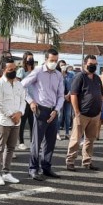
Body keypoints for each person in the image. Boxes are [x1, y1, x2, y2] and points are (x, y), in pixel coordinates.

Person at [21, 48, 64, 181]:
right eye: (51, 60)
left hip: (53, 111)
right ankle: (33, 169)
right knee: (37, 141)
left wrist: (56, 110)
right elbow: (22, 86)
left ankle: (46, 167)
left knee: (50, 141)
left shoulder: (58, 74)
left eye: (56, 61)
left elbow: (61, 95)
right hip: (40, 109)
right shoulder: (38, 71)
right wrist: (31, 101)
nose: (53, 63)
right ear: (46, 59)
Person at [65, 55, 103, 171]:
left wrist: (100, 110)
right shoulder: (79, 77)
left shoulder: (97, 78)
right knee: (76, 139)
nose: (93, 66)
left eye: (95, 64)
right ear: (85, 64)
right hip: (82, 114)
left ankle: (87, 161)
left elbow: (101, 94)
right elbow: (73, 95)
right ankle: (70, 161)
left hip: (95, 115)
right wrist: (77, 112)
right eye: (91, 64)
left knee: (90, 140)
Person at [0, 57, 25, 186]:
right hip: (3, 121)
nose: (13, 71)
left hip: (16, 121)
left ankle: (6, 172)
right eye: (10, 69)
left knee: (11, 148)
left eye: (14, 69)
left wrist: (20, 113)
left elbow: (23, 100)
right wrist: (12, 115)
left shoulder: (19, 84)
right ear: (4, 70)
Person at [17, 51, 36, 150]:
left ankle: (33, 141)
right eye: (29, 58)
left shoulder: (34, 71)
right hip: (24, 99)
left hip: (33, 99)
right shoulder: (21, 70)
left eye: (32, 58)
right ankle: (21, 142)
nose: (31, 60)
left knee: (33, 122)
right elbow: (19, 85)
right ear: (25, 59)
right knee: (23, 122)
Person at [57, 60, 74, 141]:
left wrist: (68, 95)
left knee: (68, 116)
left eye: (64, 65)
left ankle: (67, 133)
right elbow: (57, 87)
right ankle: (57, 133)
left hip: (68, 98)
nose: (63, 66)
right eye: (61, 65)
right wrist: (62, 76)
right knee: (60, 116)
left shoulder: (71, 75)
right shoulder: (57, 75)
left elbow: (73, 86)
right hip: (60, 98)